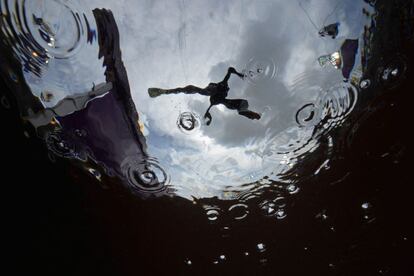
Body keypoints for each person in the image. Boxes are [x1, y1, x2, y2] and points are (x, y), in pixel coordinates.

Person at [148, 67, 261, 125]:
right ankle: (165, 91)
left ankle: (244, 111)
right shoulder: (220, 87)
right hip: (222, 98)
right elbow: (230, 70)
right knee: (202, 91)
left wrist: (208, 117)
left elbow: (230, 70)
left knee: (242, 103)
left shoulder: (221, 88)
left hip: (228, 101)